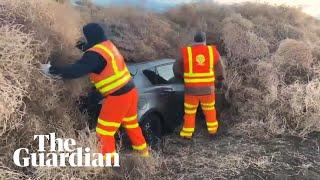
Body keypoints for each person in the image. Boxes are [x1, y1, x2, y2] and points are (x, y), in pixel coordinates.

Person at [41, 23, 149, 157]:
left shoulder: (94, 55)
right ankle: (144, 155)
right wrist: (76, 44)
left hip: (118, 97)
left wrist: (51, 70)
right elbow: (92, 50)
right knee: (132, 125)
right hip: (131, 92)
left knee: (104, 133)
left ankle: (108, 165)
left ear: (90, 37)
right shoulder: (107, 45)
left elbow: (75, 71)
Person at [174, 32, 225, 139]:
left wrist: (182, 77)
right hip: (208, 91)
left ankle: (187, 134)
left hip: (191, 91)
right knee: (210, 111)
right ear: (205, 40)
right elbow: (220, 69)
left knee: (189, 113)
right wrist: (220, 82)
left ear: (194, 41)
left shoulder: (185, 51)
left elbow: (176, 68)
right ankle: (213, 132)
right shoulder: (212, 51)